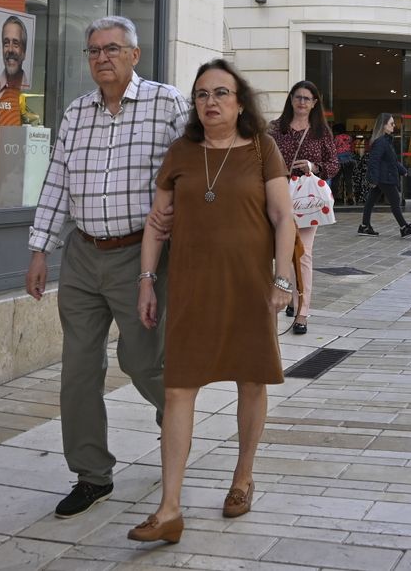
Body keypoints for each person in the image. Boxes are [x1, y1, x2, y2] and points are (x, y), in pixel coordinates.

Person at [24, 16, 189, 519]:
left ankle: (174, 410)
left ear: (134, 55)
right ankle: (92, 474)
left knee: (141, 363)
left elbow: (197, 168)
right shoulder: (76, 113)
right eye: (93, 50)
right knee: (77, 368)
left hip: (140, 257)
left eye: (112, 49)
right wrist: (40, 249)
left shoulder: (168, 104)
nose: (102, 58)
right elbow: (56, 182)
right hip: (81, 255)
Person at [127, 60, 297, 545]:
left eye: (221, 93)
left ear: (240, 102)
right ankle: (169, 509)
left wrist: (281, 278)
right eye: (201, 94)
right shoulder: (181, 152)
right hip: (190, 287)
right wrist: (145, 280)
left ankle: (243, 478)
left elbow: (283, 217)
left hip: (247, 285)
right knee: (179, 388)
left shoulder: (263, 149)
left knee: (251, 377)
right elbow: (157, 223)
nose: (210, 102)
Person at [268, 80, 342, 336]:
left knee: (303, 255)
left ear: (314, 103)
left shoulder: (321, 131)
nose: (301, 102)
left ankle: (302, 313)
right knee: (282, 252)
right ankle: (290, 294)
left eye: (306, 99)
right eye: (297, 97)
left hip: (306, 199)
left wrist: (313, 166)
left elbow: (333, 164)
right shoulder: (276, 129)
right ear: (291, 99)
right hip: (278, 196)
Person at [360, 112, 411, 237]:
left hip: (383, 176)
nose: (394, 126)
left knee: (371, 201)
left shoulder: (385, 141)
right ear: (384, 125)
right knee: (395, 200)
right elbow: (374, 161)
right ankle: (404, 227)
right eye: (392, 124)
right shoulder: (381, 142)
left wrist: (402, 170)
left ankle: (364, 226)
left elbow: (391, 160)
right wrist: (374, 179)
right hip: (384, 178)